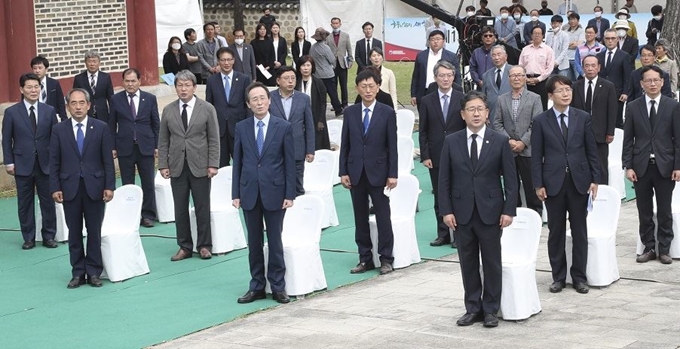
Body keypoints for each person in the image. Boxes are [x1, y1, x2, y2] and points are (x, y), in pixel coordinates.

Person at [439, 90, 517, 328]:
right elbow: (444, 180)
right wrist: (446, 211)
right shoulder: (452, 141)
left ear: (487, 113)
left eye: (480, 109)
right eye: (471, 109)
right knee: (468, 262)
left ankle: (491, 309)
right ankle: (473, 307)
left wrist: (508, 210)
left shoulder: (500, 141)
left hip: (491, 212)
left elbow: (512, 181)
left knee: (492, 262)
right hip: (461, 213)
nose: (476, 113)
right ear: (463, 114)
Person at [531, 75, 600, 295]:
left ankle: (579, 276)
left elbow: (592, 151)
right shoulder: (542, 121)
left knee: (580, 230)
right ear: (550, 96)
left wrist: (595, 179)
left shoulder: (583, 117)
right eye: (560, 90)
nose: (566, 93)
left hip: (579, 182)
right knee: (556, 231)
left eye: (568, 89)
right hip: (553, 183)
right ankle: (558, 277)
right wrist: (538, 183)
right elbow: (536, 156)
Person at [232, 82, 295, 305]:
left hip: (275, 192)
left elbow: (289, 163)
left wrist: (290, 193)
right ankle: (256, 285)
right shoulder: (242, 127)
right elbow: (237, 163)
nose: (259, 102)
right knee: (254, 241)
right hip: (249, 192)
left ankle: (278, 286)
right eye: (254, 99)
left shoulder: (283, 127)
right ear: (249, 104)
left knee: (275, 240)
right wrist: (235, 193)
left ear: (269, 100)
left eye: (262, 98)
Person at [50, 88, 115, 288]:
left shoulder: (101, 127)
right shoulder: (59, 130)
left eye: (81, 103)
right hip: (69, 188)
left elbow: (107, 160)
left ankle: (94, 271)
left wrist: (109, 186)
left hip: (95, 187)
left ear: (89, 105)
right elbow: (54, 161)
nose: (78, 107)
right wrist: (55, 187)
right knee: (74, 232)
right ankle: (78, 271)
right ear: (68, 106)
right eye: (73, 103)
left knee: (94, 231)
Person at [340, 68, 398, 275]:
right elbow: (345, 144)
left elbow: (392, 146)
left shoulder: (387, 112)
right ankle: (365, 258)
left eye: (371, 86)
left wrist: (393, 173)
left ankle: (386, 258)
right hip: (356, 173)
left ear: (378, 87)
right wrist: (343, 171)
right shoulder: (350, 112)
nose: (367, 90)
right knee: (360, 217)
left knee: (383, 217)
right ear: (357, 88)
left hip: (379, 173)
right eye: (363, 86)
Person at [158, 70, 220, 262]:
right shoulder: (168, 110)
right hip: (177, 165)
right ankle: (184, 246)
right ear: (175, 87)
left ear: (194, 87)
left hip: (201, 165)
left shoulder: (207, 108)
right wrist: (163, 164)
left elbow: (213, 139)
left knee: (202, 206)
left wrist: (213, 164)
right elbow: (163, 140)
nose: (183, 89)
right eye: (179, 85)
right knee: (180, 208)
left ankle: (204, 245)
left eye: (187, 85)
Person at [623, 65, 680, 265]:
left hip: (666, 166)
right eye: (648, 80)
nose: (653, 84)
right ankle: (648, 247)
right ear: (641, 84)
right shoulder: (633, 106)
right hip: (641, 166)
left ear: (663, 82)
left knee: (664, 209)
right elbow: (628, 139)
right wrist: (627, 166)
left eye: (656, 80)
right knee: (644, 209)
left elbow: (677, 139)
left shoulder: (672, 106)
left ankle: (664, 249)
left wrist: (678, 166)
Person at [2, 73, 58, 250]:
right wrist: (9, 162)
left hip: (45, 163)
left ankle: (49, 235)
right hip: (21, 164)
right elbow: (6, 139)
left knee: (48, 201)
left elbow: (54, 138)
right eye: (29, 87)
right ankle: (29, 237)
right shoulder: (12, 112)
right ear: (21, 89)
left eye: (36, 87)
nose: (33, 90)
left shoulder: (49, 110)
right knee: (24, 203)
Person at [418, 61, 466, 248]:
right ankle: (443, 233)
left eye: (449, 75)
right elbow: (422, 131)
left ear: (453, 77)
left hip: (459, 155)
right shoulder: (427, 100)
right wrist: (425, 155)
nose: (445, 79)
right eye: (441, 75)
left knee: (459, 194)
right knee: (440, 196)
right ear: (435, 77)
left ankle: (459, 234)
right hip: (436, 156)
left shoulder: (462, 98)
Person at [108, 68, 160, 227]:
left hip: (146, 146)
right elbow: (111, 125)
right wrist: (112, 146)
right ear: (123, 82)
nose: (130, 84)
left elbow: (156, 123)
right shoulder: (115, 99)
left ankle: (148, 214)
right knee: (127, 183)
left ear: (139, 81)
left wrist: (157, 145)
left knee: (148, 182)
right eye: (127, 81)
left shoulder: (149, 98)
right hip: (125, 146)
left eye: (133, 81)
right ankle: (130, 214)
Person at [493, 65, 543, 216]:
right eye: (513, 76)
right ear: (508, 79)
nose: (516, 78)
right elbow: (497, 123)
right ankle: (513, 213)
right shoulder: (501, 99)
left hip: (528, 150)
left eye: (519, 75)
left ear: (524, 78)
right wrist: (509, 141)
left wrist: (523, 142)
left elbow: (537, 123)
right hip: (509, 150)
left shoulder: (535, 98)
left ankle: (535, 214)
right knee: (511, 184)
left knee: (531, 185)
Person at [571, 55, 618, 185]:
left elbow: (612, 110)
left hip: (600, 133)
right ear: (582, 68)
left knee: (601, 165)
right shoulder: (575, 86)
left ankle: (603, 192)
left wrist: (610, 132)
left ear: (599, 68)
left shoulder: (608, 86)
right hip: (579, 132)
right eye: (587, 66)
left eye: (593, 66)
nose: (590, 69)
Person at [269, 66, 315, 196]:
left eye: (293, 78)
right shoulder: (269, 98)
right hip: (274, 150)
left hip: (297, 149)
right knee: (276, 186)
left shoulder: (303, 98)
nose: (290, 81)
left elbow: (309, 126)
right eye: (286, 78)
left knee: (297, 186)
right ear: (278, 81)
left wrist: (310, 150)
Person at [206, 47, 252, 167]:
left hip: (238, 127)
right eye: (223, 60)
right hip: (219, 129)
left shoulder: (243, 79)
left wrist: (248, 125)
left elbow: (248, 105)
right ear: (218, 61)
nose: (226, 63)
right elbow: (209, 105)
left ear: (233, 60)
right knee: (221, 165)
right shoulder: (211, 81)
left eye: (229, 60)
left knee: (241, 163)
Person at [410, 30, 461, 107]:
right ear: (429, 41)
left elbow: (457, 76)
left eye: (438, 39)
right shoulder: (421, 56)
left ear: (443, 41)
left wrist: (457, 93)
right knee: (424, 116)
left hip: (444, 91)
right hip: (424, 92)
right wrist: (413, 95)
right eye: (433, 39)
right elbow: (416, 76)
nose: (435, 42)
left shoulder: (451, 57)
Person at [598, 28, 632, 128]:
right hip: (601, 92)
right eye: (607, 38)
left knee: (617, 120)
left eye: (613, 38)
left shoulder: (624, 56)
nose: (610, 41)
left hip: (617, 93)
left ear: (617, 39)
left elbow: (627, 76)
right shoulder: (599, 56)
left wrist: (625, 92)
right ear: (604, 39)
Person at [296, 55, 330, 150]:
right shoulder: (296, 83)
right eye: (303, 65)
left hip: (315, 117)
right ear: (299, 67)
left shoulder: (318, 83)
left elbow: (323, 103)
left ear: (312, 67)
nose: (306, 68)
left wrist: (321, 120)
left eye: (308, 65)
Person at [519, 26, 554, 110]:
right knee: (526, 106)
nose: (536, 35)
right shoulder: (525, 49)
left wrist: (538, 79)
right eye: (534, 33)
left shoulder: (548, 50)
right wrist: (525, 78)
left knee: (541, 106)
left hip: (541, 81)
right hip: (526, 81)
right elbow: (520, 65)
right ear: (531, 35)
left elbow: (549, 68)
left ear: (543, 36)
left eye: (539, 34)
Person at [310, 27, 343, 116]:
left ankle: (320, 112)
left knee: (320, 95)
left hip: (317, 74)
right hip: (327, 74)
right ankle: (338, 109)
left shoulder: (312, 48)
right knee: (332, 93)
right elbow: (332, 60)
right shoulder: (325, 48)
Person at [72, 51, 113, 123]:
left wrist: (113, 114)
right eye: (89, 61)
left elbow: (110, 97)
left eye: (94, 61)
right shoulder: (79, 78)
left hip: (103, 113)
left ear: (99, 62)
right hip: (85, 113)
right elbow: (75, 97)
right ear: (85, 63)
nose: (92, 64)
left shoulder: (106, 77)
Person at [326, 17, 354, 109]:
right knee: (333, 86)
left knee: (343, 85)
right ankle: (336, 104)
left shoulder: (345, 36)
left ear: (340, 24)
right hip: (332, 65)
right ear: (331, 25)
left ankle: (345, 103)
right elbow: (326, 50)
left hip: (342, 63)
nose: (335, 25)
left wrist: (350, 60)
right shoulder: (328, 37)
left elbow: (349, 48)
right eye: (333, 23)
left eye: (337, 23)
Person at [30, 56, 67, 121]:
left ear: (46, 69)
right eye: (35, 68)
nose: (37, 71)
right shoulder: (29, 85)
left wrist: (64, 119)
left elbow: (61, 103)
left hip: (52, 116)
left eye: (40, 68)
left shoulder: (54, 83)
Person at [481, 45, 512, 119]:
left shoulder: (514, 71)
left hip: (511, 115)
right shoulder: (486, 75)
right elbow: (483, 97)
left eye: (499, 54)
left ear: (505, 56)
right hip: (492, 116)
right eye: (494, 55)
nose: (496, 58)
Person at [565, 13, 585, 81]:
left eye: (574, 19)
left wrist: (568, 45)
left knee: (578, 79)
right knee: (568, 80)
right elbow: (563, 45)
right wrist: (572, 43)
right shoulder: (565, 32)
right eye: (570, 19)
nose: (572, 21)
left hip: (576, 59)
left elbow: (578, 45)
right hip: (566, 59)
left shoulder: (582, 31)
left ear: (578, 20)